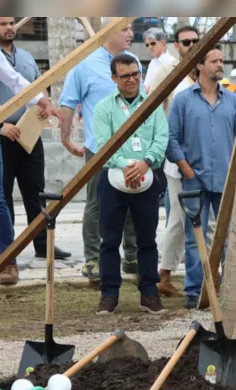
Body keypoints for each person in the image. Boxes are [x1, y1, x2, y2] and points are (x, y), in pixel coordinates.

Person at [59, 19, 143, 284]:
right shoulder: (84, 65)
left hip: (132, 149)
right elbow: (68, 103)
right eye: (125, 29)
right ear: (108, 32)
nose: (131, 33)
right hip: (99, 150)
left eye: (131, 28)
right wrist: (66, 138)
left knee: (133, 201)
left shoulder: (133, 63)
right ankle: (93, 260)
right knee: (97, 205)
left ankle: (131, 257)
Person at [166, 45, 236, 309]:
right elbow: (171, 138)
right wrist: (186, 169)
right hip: (193, 179)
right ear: (199, 65)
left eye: (222, 60)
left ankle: (229, 287)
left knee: (230, 235)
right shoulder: (183, 100)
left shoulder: (233, 100)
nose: (220, 65)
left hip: (226, 179)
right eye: (214, 61)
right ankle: (195, 289)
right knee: (193, 236)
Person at [93, 54, 168, 315]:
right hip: (114, 178)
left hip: (148, 176)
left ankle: (149, 292)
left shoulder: (152, 105)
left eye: (136, 74)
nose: (132, 80)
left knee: (147, 239)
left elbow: (161, 138)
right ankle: (109, 293)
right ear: (114, 78)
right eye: (125, 76)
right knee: (109, 240)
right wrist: (126, 165)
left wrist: (145, 162)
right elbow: (103, 143)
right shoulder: (104, 108)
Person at [0, 16, 72, 265]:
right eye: (2, 24)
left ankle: (41, 243)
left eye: (10, 23)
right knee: (2, 195)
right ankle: (6, 250)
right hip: (2, 135)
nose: (9, 27)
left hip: (29, 134)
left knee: (36, 191)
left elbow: (31, 86)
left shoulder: (27, 58)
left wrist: (44, 103)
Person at [0, 49, 58, 285]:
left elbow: (16, 80)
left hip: (12, 131)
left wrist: (42, 100)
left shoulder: (14, 56)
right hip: (1, 129)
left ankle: (7, 259)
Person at [148, 25, 202, 298]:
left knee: (199, 221)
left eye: (195, 40)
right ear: (176, 45)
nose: (191, 45)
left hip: (207, 160)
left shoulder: (204, 74)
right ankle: (164, 276)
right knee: (180, 220)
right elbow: (151, 107)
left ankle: (194, 274)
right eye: (185, 42)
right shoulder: (169, 72)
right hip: (176, 161)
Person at [143, 27, 176, 94]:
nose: (150, 47)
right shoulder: (153, 62)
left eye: (153, 43)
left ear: (163, 42)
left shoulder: (171, 62)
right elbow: (146, 87)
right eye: (147, 45)